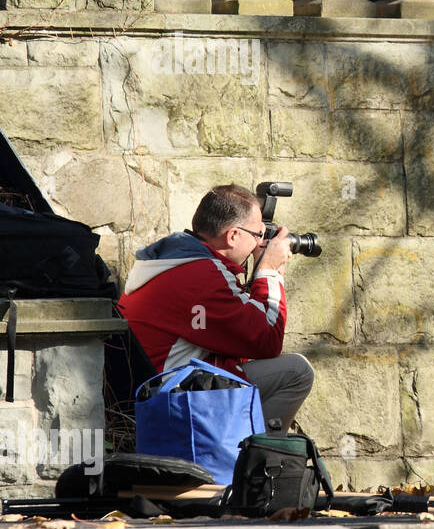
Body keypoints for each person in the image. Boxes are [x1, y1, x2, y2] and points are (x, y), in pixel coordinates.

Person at [117, 184, 313, 434]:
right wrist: (270, 272)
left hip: (152, 394)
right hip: (170, 406)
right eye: (257, 234)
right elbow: (268, 340)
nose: (258, 244)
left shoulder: (175, 259)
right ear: (232, 236)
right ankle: (254, 461)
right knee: (297, 371)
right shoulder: (201, 276)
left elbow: (237, 336)